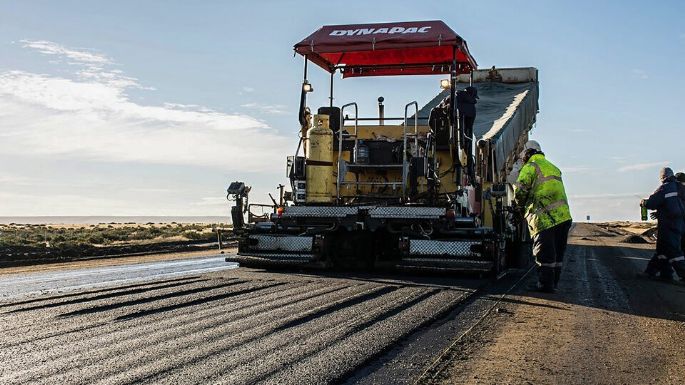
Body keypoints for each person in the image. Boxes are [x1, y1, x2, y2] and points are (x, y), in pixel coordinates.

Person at [513, 140, 573, 293]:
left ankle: (545, 285)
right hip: (564, 217)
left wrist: (519, 206)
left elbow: (520, 190)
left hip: (545, 218)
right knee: (558, 254)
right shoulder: (553, 167)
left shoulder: (530, 167)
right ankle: (553, 284)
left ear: (527, 153)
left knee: (544, 254)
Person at [641, 168, 685, 281]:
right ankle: (660, 273)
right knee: (662, 249)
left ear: (663, 177)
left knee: (673, 250)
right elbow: (674, 204)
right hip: (679, 223)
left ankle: (683, 274)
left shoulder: (665, 188)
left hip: (668, 224)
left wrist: (644, 203)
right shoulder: (680, 187)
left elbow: (652, 202)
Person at [456, 86, 478, 181]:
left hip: (450, 136)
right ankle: (471, 175)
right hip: (463, 139)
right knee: (468, 154)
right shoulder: (471, 108)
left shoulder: (454, 99)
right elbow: (469, 126)